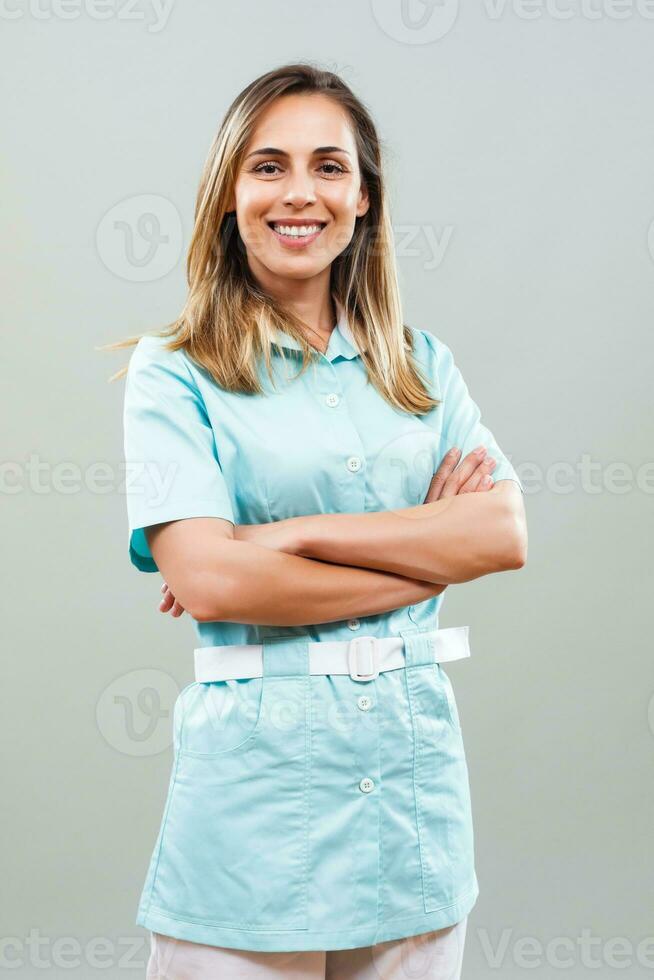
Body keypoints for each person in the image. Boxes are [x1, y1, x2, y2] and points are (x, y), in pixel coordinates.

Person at [110, 62, 527, 979]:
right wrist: (429, 552)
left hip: (413, 803)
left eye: (329, 167)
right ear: (229, 193)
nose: (300, 193)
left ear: (365, 197)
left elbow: (502, 535)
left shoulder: (422, 368)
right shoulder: (174, 373)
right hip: (252, 819)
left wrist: (280, 538)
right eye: (268, 166)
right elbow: (212, 580)